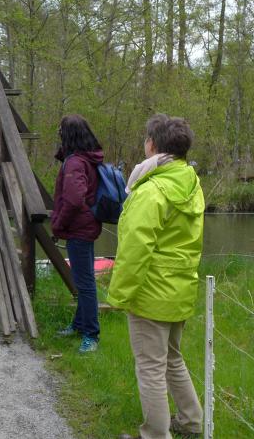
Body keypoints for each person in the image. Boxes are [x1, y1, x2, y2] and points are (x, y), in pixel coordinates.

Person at [110, 114, 203, 439]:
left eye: (146, 138)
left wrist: (119, 294)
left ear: (152, 144)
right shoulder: (191, 183)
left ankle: (155, 434)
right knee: (172, 358)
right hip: (180, 288)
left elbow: (135, 249)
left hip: (152, 292)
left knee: (150, 366)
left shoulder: (152, 190)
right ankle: (191, 421)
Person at [50, 114, 104, 353]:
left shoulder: (74, 162)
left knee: (85, 283)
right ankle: (79, 324)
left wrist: (58, 224)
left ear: (68, 135)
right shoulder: (85, 159)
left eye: (60, 131)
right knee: (84, 280)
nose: (59, 135)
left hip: (79, 229)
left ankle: (91, 335)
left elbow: (73, 199)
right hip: (86, 225)